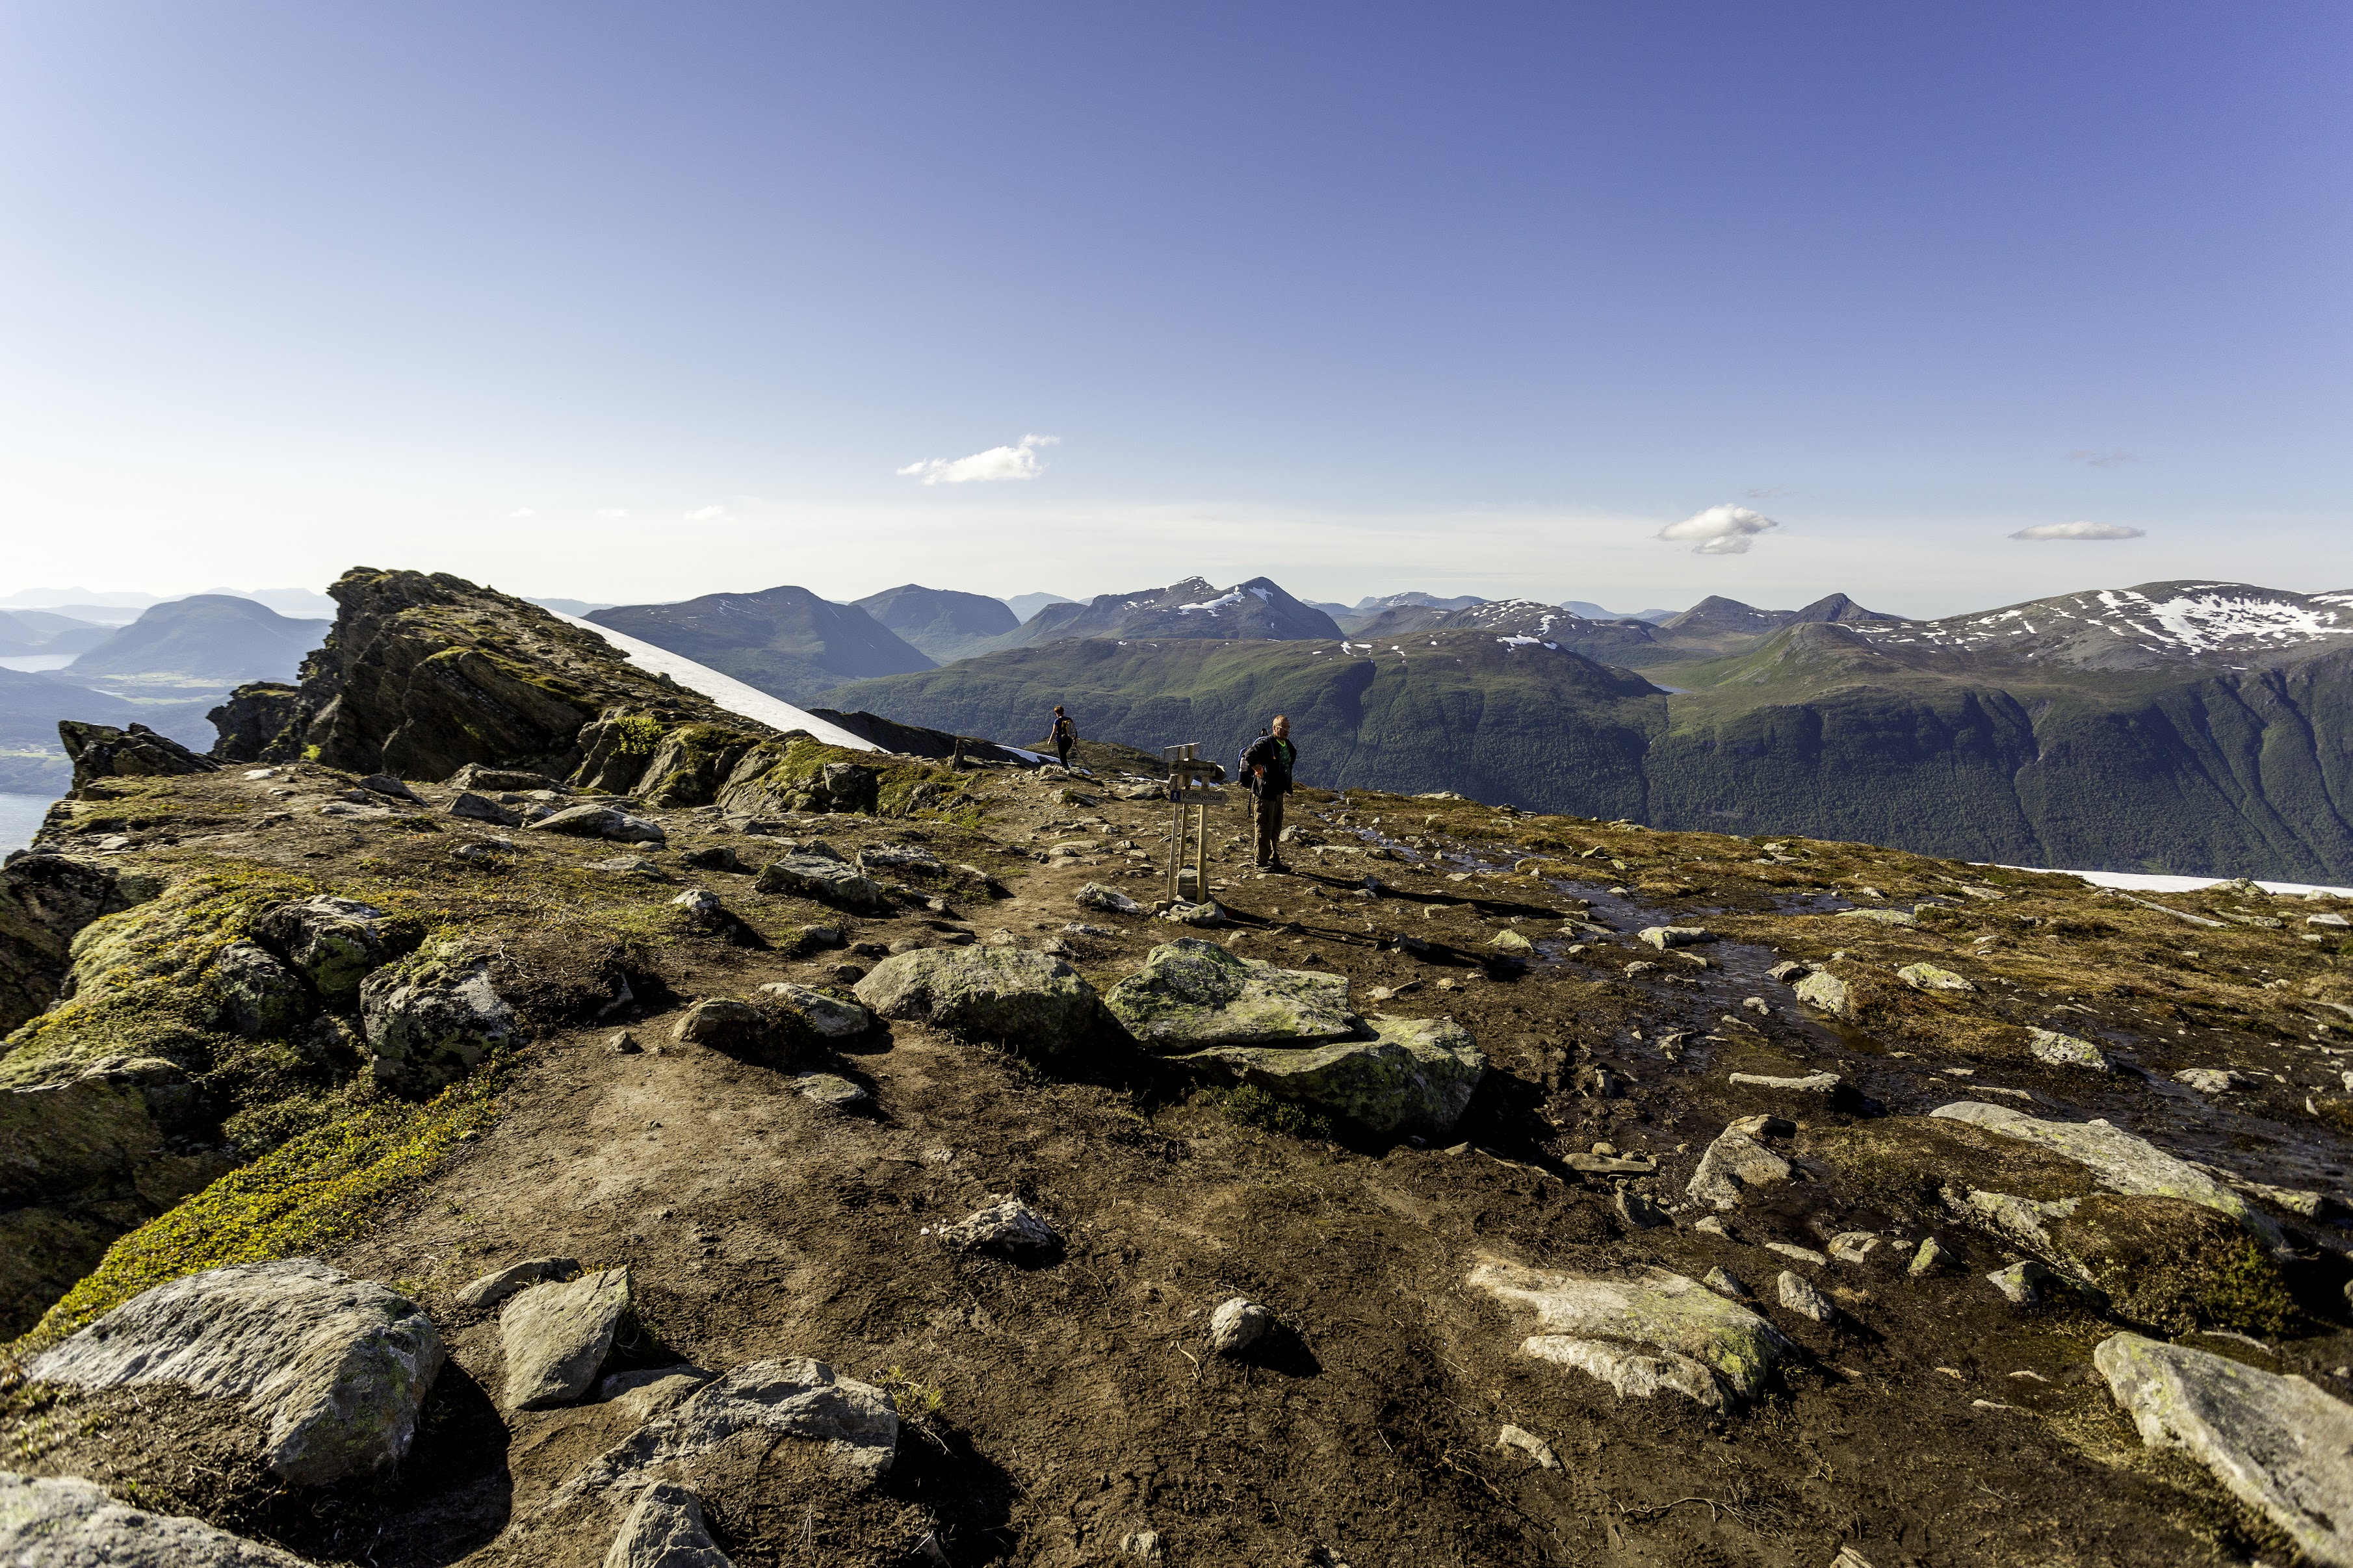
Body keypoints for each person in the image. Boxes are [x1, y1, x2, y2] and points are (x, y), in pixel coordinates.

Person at [1240, 714, 1297, 871]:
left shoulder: (1286, 745)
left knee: (1275, 828)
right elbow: (1249, 755)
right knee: (1264, 828)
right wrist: (1258, 769)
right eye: (1283, 727)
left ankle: (1273, 860)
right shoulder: (1267, 743)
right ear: (1274, 728)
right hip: (1265, 793)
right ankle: (1260, 862)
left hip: (1278, 793)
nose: (1286, 730)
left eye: (1288, 728)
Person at [1049, 706, 1076, 770]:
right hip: (1069, 741)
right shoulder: (1069, 719)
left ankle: (1067, 771)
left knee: (1062, 757)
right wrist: (1075, 740)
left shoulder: (1057, 721)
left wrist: (1050, 741)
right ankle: (1067, 770)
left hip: (1061, 741)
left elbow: (1054, 732)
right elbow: (1073, 730)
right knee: (1064, 756)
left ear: (1057, 713)